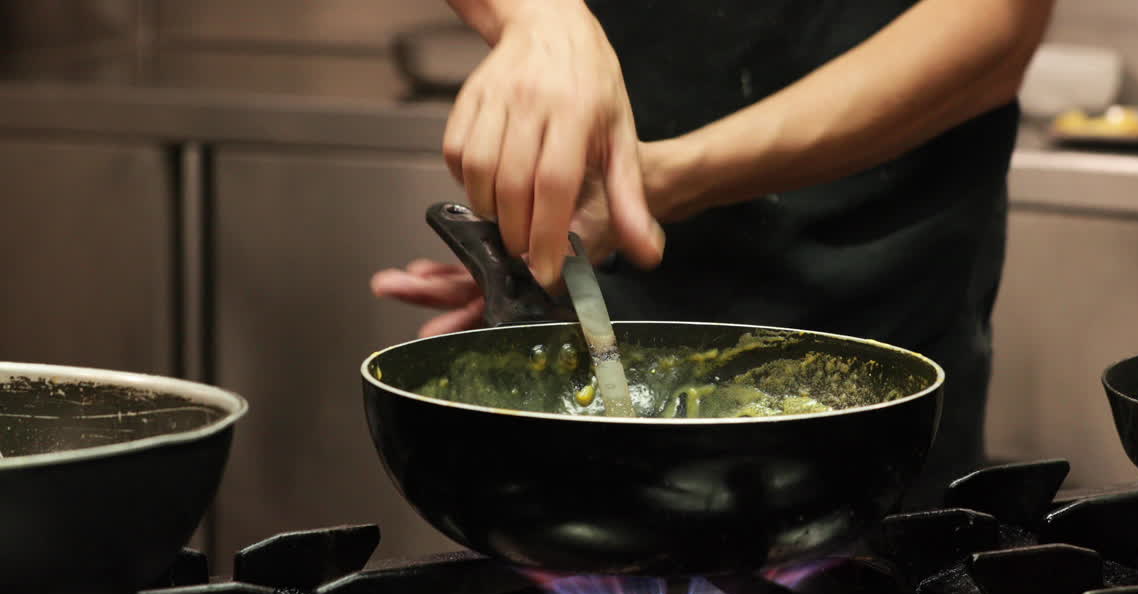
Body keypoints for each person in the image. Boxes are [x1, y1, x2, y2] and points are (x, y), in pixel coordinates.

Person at [371, 0, 1055, 509]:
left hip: (881, 309)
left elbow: (994, 29)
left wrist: (652, 184)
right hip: (605, 287)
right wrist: (537, 19)